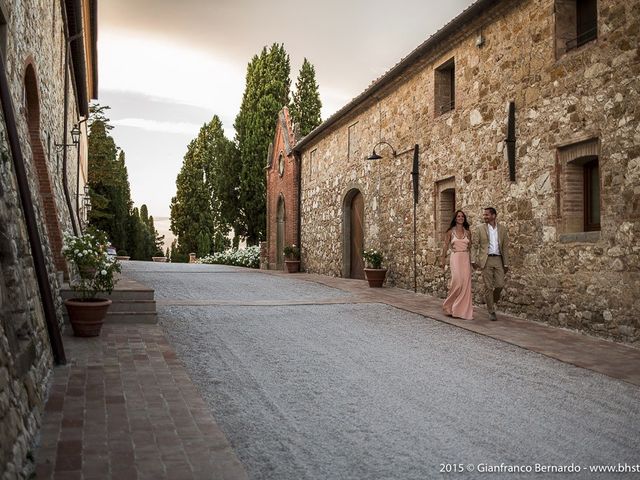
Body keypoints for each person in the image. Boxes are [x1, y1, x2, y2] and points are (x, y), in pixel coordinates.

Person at [471, 207, 509, 321]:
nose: (485, 217)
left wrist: (506, 263)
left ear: (494, 216)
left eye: (487, 215)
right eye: (484, 215)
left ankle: (492, 301)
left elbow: (505, 247)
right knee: (488, 286)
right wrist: (473, 260)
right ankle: (491, 311)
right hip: (486, 260)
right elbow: (475, 246)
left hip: (498, 259)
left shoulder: (502, 229)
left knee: (500, 285)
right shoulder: (480, 229)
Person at [440, 210, 473, 320]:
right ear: (455, 218)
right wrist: (442, 259)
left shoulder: (468, 232)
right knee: (458, 282)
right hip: (455, 257)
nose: (460, 218)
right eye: (458, 216)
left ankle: (460, 311)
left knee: (466, 284)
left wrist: (472, 261)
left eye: (462, 216)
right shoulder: (450, 232)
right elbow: (445, 246)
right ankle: (448, 305)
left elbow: (470, 247)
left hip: (465, 258)